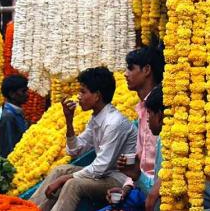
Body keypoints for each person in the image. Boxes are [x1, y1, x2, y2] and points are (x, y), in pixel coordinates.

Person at [30, 67, 138, 211]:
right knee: (59, 171)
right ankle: (28, 207)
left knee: (72, 183)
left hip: (118, 180)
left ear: (97, 95)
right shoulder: (96, 118)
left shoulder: (114, 123)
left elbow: (101, 167)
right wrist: (69, 120)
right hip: (103, 175)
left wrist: (64, 179)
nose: (78, 96)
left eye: (83, 91)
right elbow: (74, 151)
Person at [112, 46, 165, 202]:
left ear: (147, 70)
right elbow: (139, 160)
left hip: (159, 193)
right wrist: (127, 188)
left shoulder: (161, 107)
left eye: (130, 68)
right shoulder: (142, 110)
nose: (125, 74)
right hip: (142, 186)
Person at [100, 84, 165, 211]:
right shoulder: (161, 140)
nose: (147, 120)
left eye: (150, 114)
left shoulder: (174, 146)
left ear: (160, 116)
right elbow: (154, 189)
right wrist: (137, 175)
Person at [0, 75, 29, 158]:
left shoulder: (16, 112)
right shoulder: (8, 116)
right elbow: (9, 148)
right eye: (23, 91)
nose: (27, 94)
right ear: (12, 94)